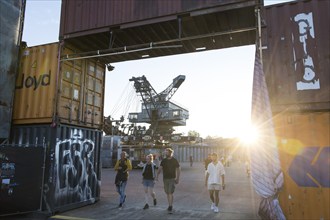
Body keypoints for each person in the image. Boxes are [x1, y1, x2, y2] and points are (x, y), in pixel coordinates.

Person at [156, 148, 180, 214]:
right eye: (165, 152)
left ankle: (170, 206)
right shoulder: (164, 161)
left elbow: (178, 169)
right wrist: (157, 176)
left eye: (167, 152)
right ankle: (169, 204)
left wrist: (177, 178)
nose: (166, 153)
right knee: (167, 192)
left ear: (170, 153)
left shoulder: (174, 160)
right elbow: (160, 168)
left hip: (172, 178)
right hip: (165, 179)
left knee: (170, 192)